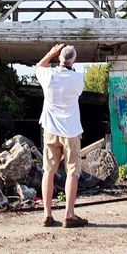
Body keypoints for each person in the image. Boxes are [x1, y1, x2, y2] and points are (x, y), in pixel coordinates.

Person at [36, 43, 88, 228]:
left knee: (48, 171)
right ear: (74, 60)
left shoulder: (48, 76)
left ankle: (47, 215)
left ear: (59, 57)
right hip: (72, 131)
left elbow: (39, 66)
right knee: (72, 172)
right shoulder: (78, 79)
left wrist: (50, 53)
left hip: (51, 130)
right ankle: (69, 215)